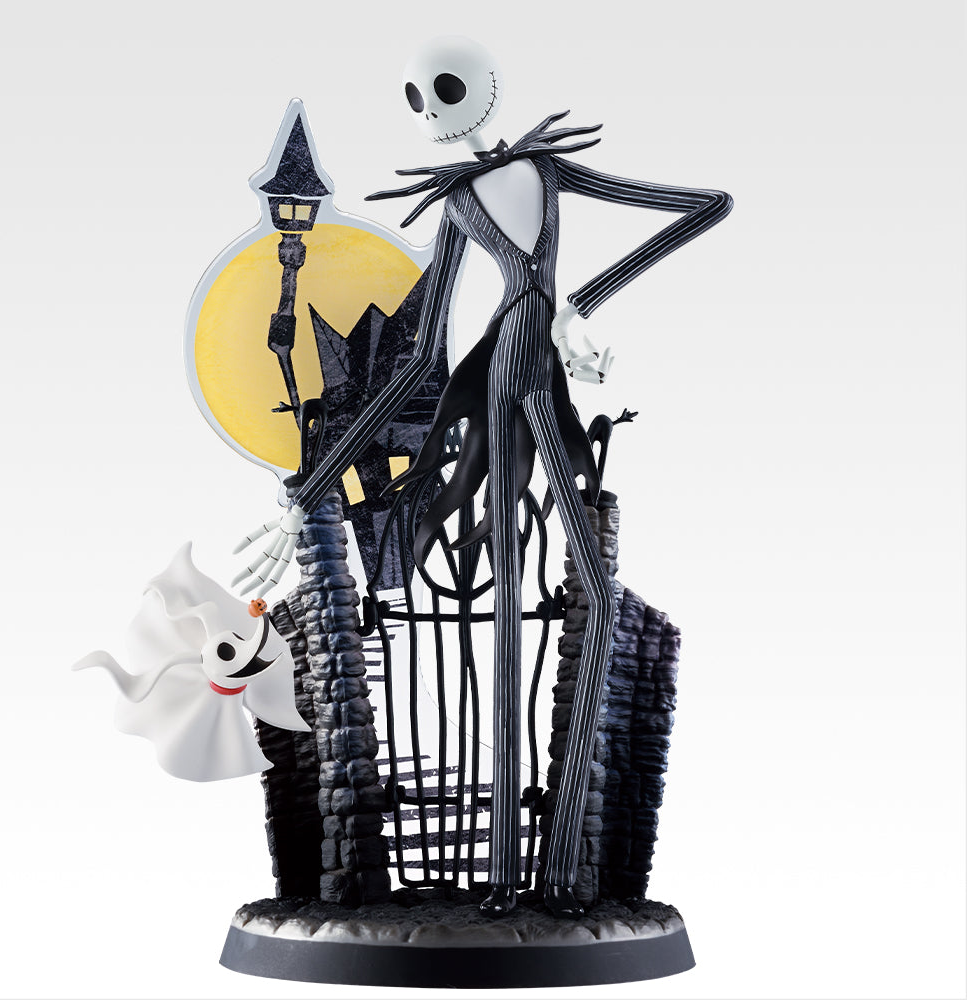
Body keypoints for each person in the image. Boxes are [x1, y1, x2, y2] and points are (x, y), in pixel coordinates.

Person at [235, 35, 732, 918]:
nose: (429, 111)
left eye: (442, 89)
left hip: (540, 367)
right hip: (502, 377)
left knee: (592, 592)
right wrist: (306, 498)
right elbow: (419, 357)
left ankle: (560, 873)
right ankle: (510, 878)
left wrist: (579, 306)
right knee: (509, 612)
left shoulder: (546, 172)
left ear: (488, 89)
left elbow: (706, 205)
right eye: (413, 99)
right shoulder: (459, 201)